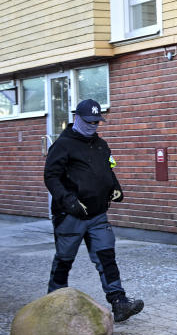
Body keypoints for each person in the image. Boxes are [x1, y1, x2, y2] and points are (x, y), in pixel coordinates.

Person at [43, 99, 143, 322]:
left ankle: (119, 303)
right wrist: (69, 201)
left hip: (98, 214)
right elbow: (51, 176)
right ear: (76, 118)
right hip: (70, 215)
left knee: (106, 257)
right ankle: (51, 304)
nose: (93, 126)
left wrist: (116, 188)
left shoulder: (101, 145)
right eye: (89, 121)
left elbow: (108, 168)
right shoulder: (62, 145)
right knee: (64, 259)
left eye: (97, 122)